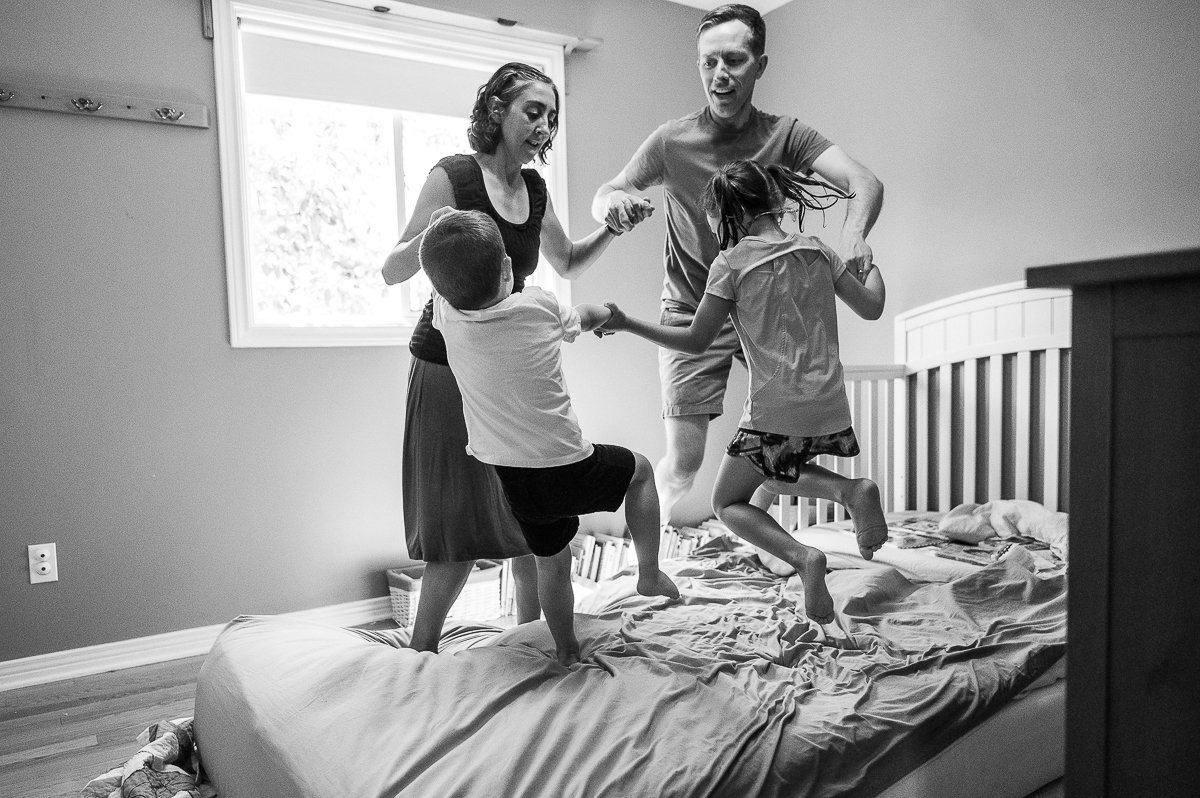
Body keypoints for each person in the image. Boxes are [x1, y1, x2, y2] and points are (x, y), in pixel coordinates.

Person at [382, 63, 649, 653]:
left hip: (508, 372)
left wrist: (612, 227)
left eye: (551, 116)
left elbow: (569, 261)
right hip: (447, 368)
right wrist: (434, 231)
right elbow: (392, 268)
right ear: (497, 110)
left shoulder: (534, 188)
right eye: (533, 111)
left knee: (531, 514)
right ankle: (420, 649)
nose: (544, 126)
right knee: (458, 523)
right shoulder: (453, 175)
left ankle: (531, 640)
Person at [591, 4, 884, 527]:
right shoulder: (670, 140)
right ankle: (649, 553)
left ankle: (756, 540)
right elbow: (607, 191)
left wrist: (855, 236)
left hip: (767, 305)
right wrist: (611, 204)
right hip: (690, 305)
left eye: (734, 59)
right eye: (708, 63)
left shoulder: (786, 135)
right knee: (683, 463)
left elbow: (865, 182)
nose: (719, 74)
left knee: (785, 451)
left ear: (760, 64)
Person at [601, 159, 888, 624]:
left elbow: (695, 341)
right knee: (771, 474)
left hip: (775, 407)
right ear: (775, 201)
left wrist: (626, 322)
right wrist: (867, 261)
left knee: (727, 502)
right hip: (829, 402)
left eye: (712, 217)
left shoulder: (731, 263)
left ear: (726, 214)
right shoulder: (817, 250)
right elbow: (872, 306)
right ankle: (851, 492)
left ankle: (805, 555)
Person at [419, 208, 680, 666]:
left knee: (552, 561)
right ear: (507, 268)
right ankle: (650, 572)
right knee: (639, 470)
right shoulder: (537, 307)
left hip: (514, 477)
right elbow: (585, 314)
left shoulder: (448, 319)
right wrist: (610, 314)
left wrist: (441, 225)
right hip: (569, 464)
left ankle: (566, 647)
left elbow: (444, 287)